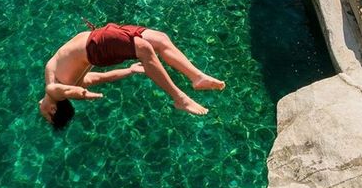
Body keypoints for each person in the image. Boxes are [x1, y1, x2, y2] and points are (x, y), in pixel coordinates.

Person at [39, 22, 226, 128]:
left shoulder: (62, 79)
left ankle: (197, 77)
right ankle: (180, 99)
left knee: (160, 39)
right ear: (53, 110)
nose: (41, 111)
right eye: (46, 117)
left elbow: (97, 78)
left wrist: (129, 70)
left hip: (97, 37)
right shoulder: (54, 91)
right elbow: (61, 90)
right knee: (144, 49)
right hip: (96, 46)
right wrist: (83, 95)